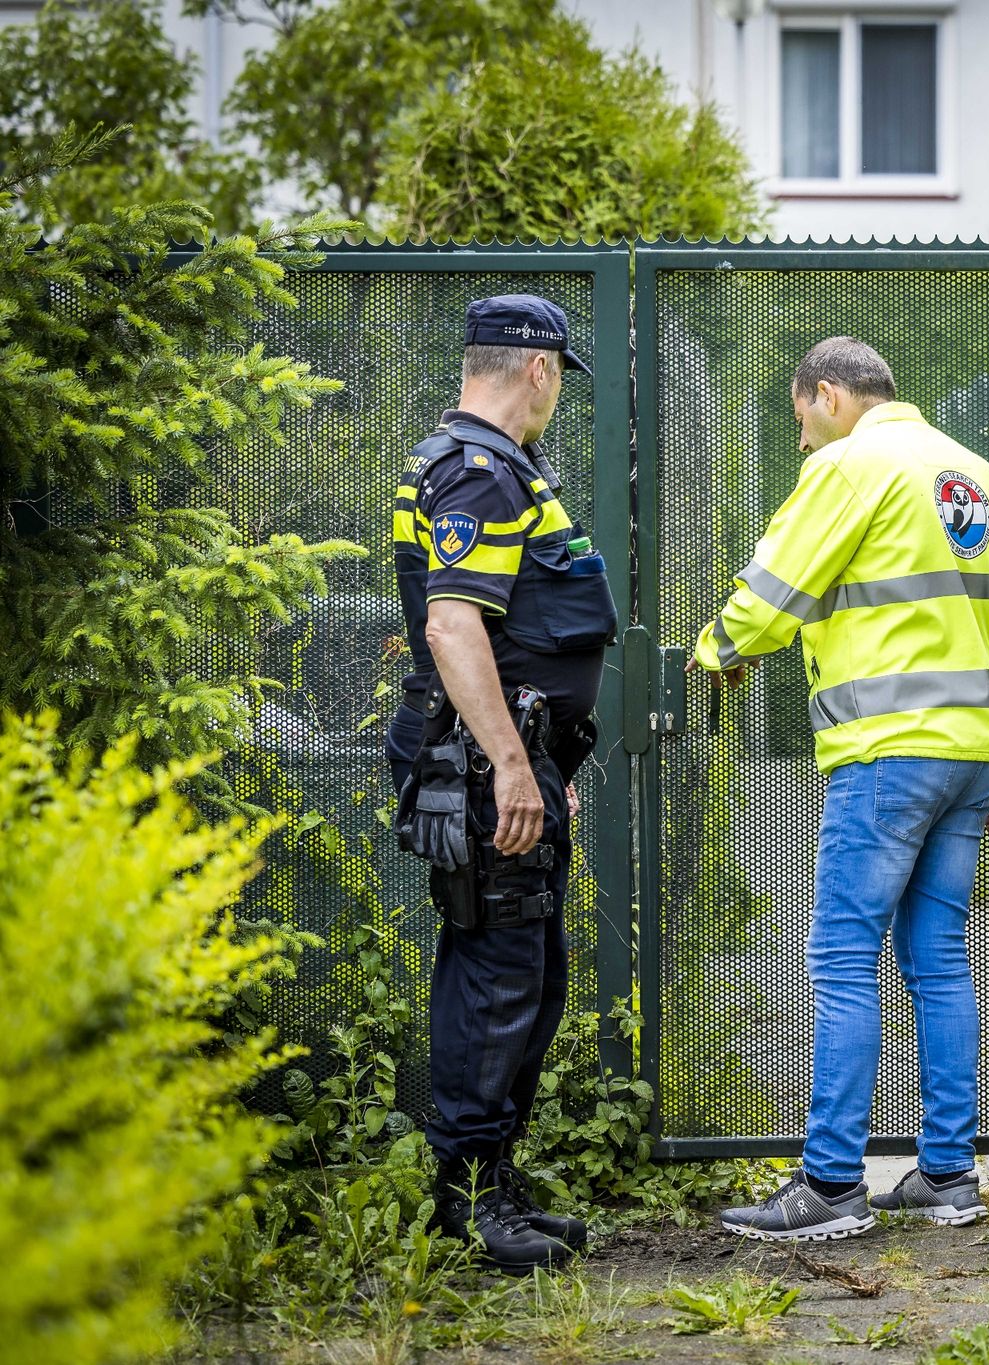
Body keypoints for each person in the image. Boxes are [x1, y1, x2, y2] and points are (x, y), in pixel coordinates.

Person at [698, 337, 989, 1243]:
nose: (802, 442)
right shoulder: (974, 476)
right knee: (939, 957)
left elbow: (777, 586)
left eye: (801, 420)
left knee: (843, 956)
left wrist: (717, 649)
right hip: (973, 755)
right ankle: (947, 1175)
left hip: (888, 751)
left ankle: (828, 1186)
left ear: (828, 395)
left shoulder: (851, 464)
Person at [386, 294, 618, 1273]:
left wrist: (542, 763)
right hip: (485, 763)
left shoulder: (484, 464)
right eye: (560, 376)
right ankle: (469, 1200)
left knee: (526, 974)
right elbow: (452, 627)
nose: (558, 391)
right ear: (539, 369)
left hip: (507, 757)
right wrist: (515, 766)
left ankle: (494, 1182)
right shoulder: (479, 474)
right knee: (498, 979)